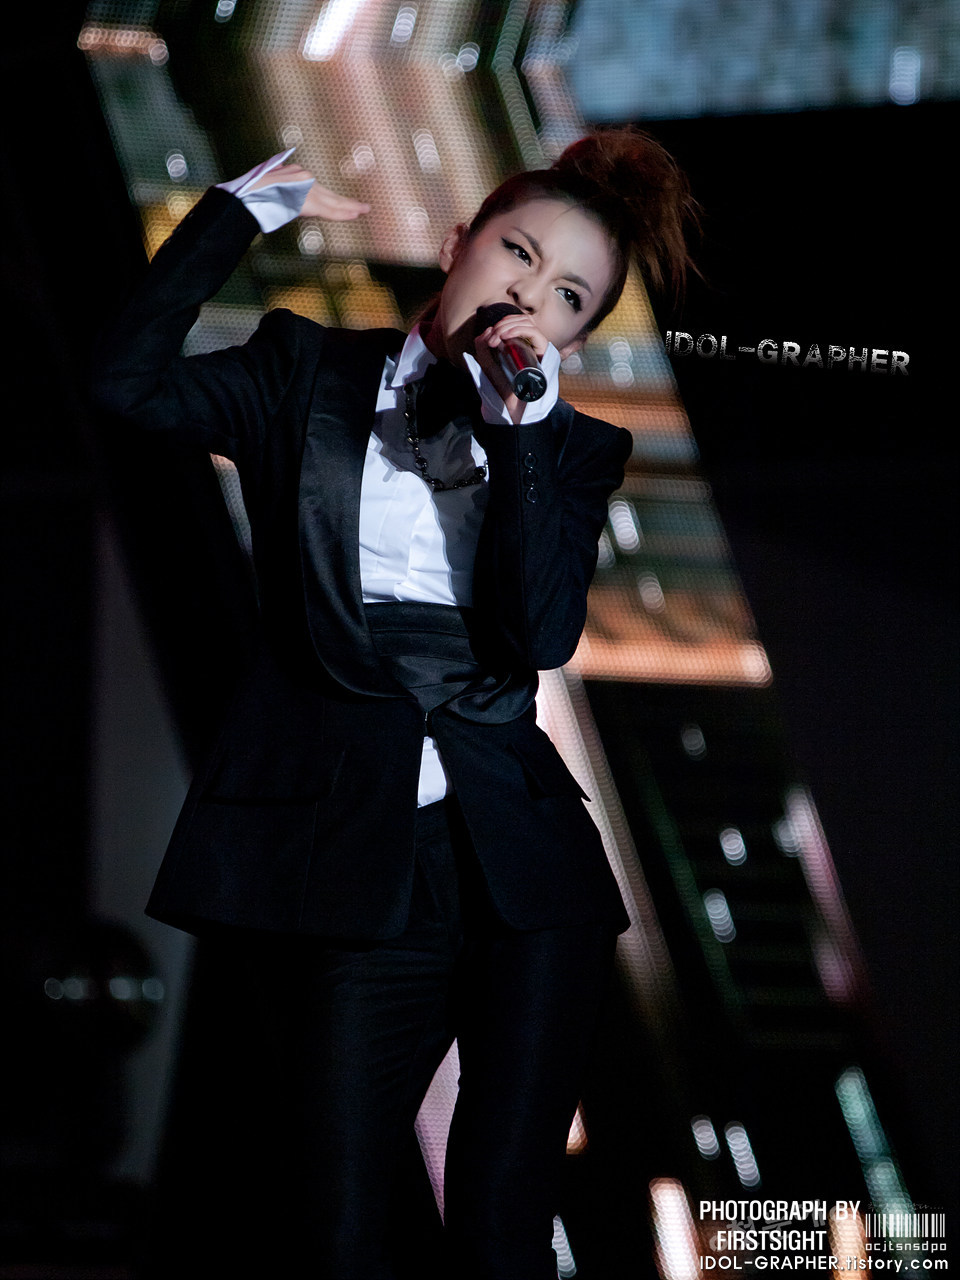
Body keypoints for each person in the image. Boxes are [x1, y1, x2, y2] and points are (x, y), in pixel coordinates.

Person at [92, 126, 698, 1279]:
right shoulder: (302, 373)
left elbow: (541, 635)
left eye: (568, 295)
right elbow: (126, 385)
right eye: (518, 252)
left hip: (525, 872)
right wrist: (229, 219)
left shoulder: (570, 450)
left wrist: (523, 442)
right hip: (360, 863)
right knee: (336, 1221)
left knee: (502, 1221)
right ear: (458, 242)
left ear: (574, 337)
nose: (529, 293)